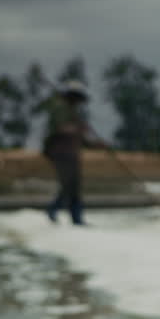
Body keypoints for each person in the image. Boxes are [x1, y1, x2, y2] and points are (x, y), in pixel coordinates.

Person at [41, 80, 104, 225]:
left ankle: (76, 218)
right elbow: (60, 128)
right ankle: (54, 211)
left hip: (72, 154)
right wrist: (79, 128)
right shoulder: (60, 109)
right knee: (68, 185)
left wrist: (97, 144)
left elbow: (82, 140)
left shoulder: (73, 111)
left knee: (74, 186)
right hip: (60, 153)